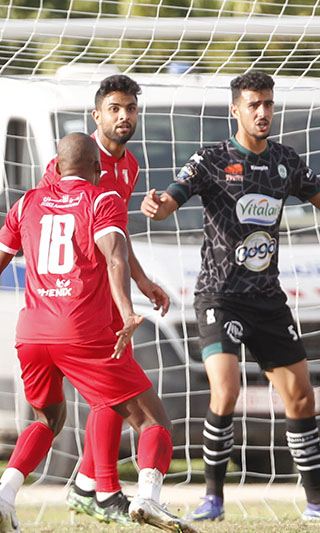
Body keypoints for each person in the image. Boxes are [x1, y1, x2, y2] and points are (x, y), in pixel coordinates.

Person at [141, 72, 320, 522]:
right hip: (219, 297)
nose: (263, 112)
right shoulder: (211, 159)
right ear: (236, 110)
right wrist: (158, 206)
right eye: (254, 104)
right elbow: (171, 199)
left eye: (268, 103)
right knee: (226, 390)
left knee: (301, 397)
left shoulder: (285, 161)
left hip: (267, 300)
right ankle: (212, 500)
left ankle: (318, 504)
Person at [0, 133, 194, 533]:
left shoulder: (27, 202)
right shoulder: (102, 199)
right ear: (97, 167)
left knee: (47, 419)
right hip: (81, 332)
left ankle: (5, 495)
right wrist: (126, 311)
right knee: (153, 420)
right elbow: (115, 257)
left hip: (32, 334)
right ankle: (147, 497)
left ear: (56, 166)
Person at [39, 74, 171, 525]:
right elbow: (45, 219)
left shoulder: (130, 166)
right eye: (115, 108)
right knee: (111, 387)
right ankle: (100, 489)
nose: (124, 116)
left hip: (111, 294)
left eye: (130, 108)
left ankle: (89, 485)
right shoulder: (71, 160)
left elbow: (117, 236)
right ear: (97, 115)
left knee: (113, 385)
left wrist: (143, 280)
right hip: (74, 299)